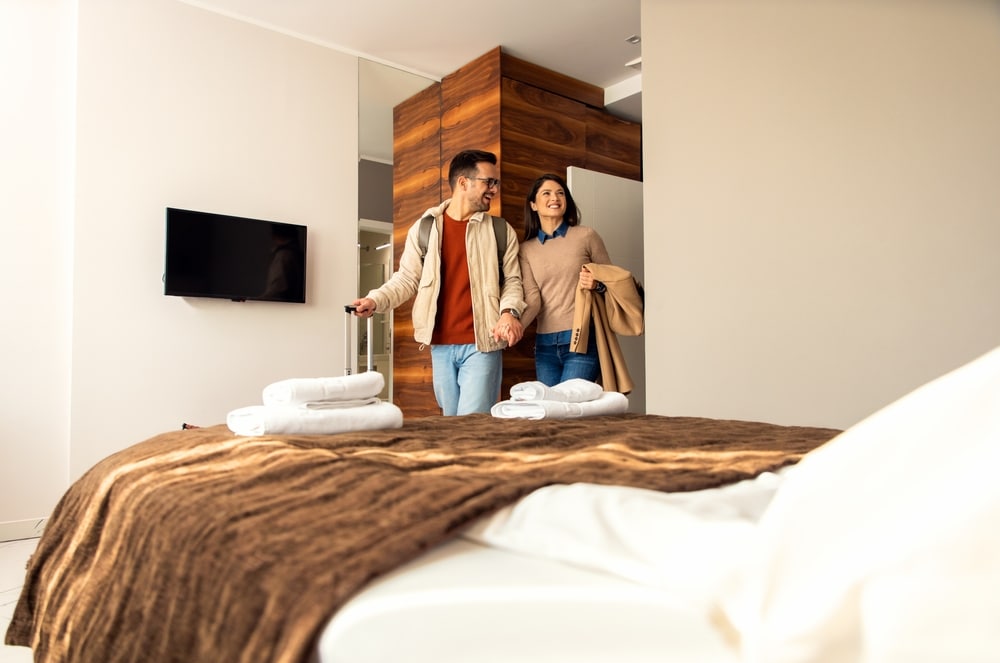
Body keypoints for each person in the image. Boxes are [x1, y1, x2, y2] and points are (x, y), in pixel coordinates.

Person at [351, 149, 525, 415]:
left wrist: (508, 312)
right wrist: (376, 299)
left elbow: (513, 280)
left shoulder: (500, 231)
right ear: (463, 182)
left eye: (495, 183)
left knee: (472, 425)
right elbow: (407, 278)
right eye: (488, 182)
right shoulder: (425, 228)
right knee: (449, 421)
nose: (494, 189)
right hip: (440, 346)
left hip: (483, 345)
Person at [518, 173, 611, 386]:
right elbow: (533, 300)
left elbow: (615, 283)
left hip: (583, 339)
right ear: (533, 205)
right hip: (545, 346)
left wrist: (597, 285)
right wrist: (514, 330)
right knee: (552, 413)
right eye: (547, 193)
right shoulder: (526, 250)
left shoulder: (586, 236)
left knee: (567, 406)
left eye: (561, 193)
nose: (555, 198)